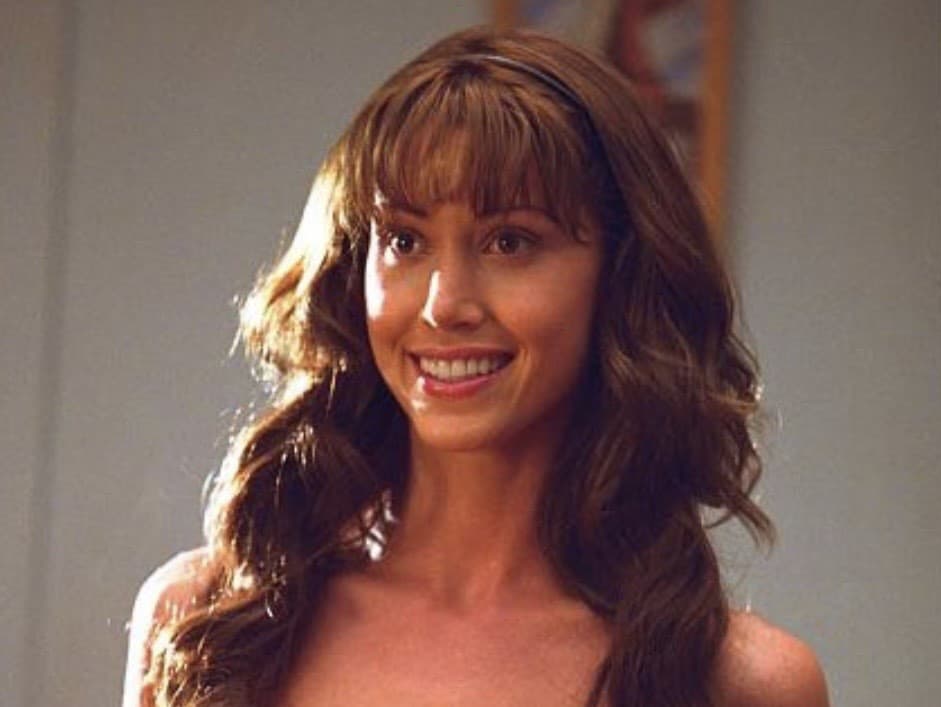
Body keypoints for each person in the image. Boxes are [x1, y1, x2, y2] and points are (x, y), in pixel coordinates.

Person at [123, 25, 829, 707]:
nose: (444, 304)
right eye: (404, 240)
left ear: (621, 279)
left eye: (509, 242)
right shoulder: (206, 622)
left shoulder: (745, 683)